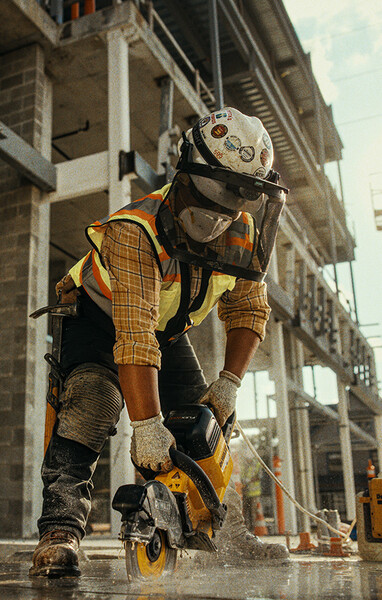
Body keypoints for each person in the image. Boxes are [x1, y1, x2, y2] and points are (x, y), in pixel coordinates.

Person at [30, 107, 289, 577]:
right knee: (93, 403)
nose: (213, 221)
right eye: (208, 199)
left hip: (165, 330)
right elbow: (133, 335)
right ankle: (60, 532)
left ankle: (224, 534)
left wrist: (229, 382)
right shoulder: (135, 230)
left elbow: (249, 310)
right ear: (187, 172)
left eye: (228, 205)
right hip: (97, 318)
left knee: (205, 427)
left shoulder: (244, 235)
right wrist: (146, 425)